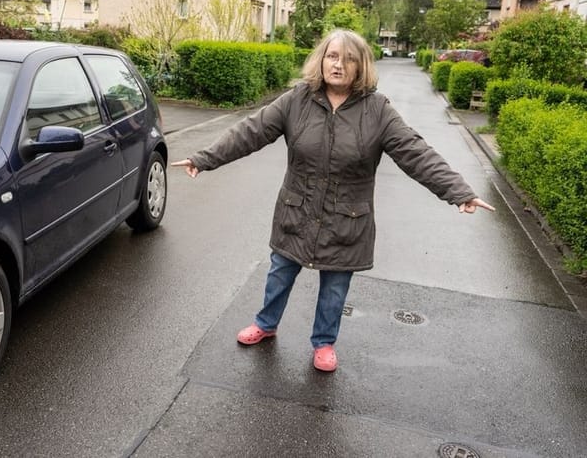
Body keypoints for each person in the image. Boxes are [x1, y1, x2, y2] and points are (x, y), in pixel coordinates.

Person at [171, 29, 495, 373]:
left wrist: (458, 190)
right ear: (321, 60)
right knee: (279, 273)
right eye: (332, 56)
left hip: (347, 220)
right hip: (297, 211)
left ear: (361, 66)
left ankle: (324, 342)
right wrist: (204, 158)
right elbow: (250, 131)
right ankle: (266, 324)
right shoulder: (297, 99)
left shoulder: (377, 110)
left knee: (335, 286)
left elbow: (416, 152)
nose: (338, 65)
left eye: (348, 59)